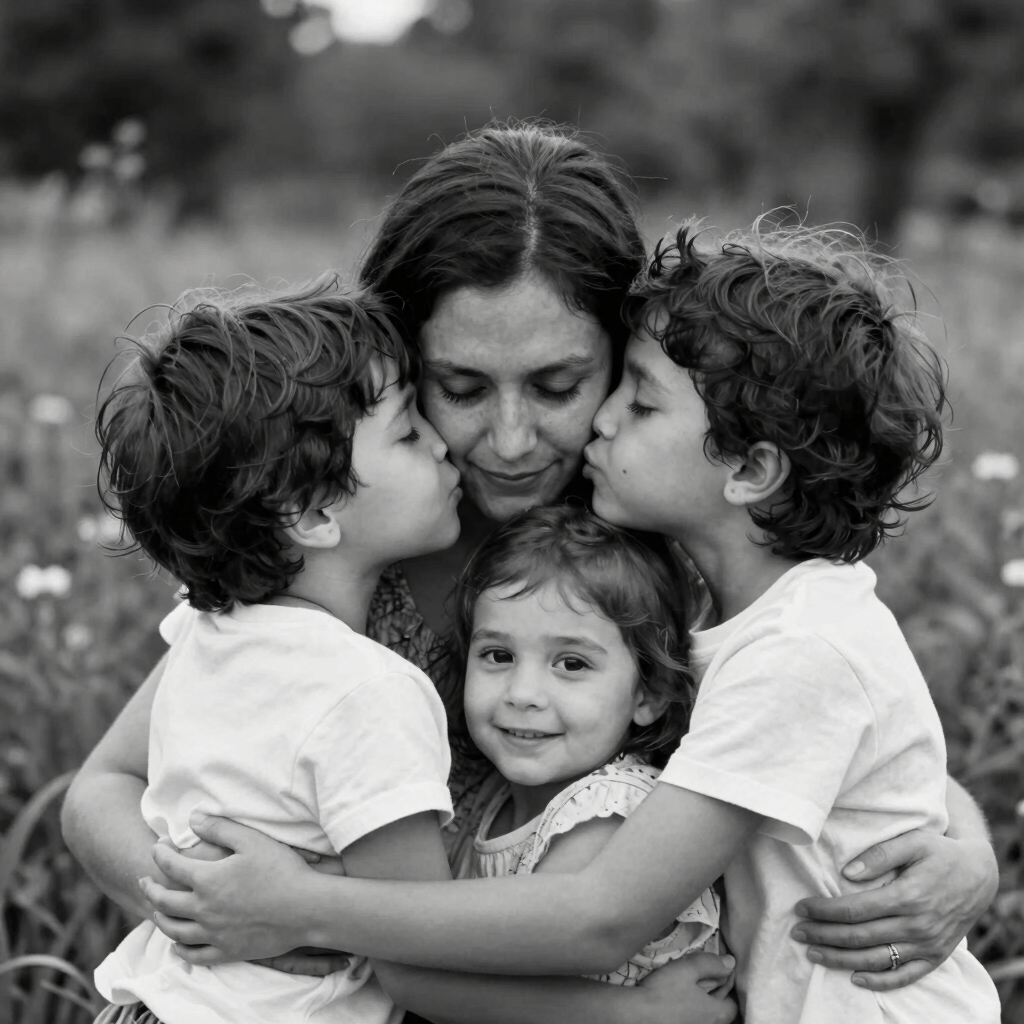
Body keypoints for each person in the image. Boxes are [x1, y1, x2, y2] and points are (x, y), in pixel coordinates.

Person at [62, 125, 996, 1023]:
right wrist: (225, 906)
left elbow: (845, 733)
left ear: (627, 358)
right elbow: (103, 787)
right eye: (460, 389)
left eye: (560, 387)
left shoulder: (682, 539)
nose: (510, 441)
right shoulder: (325, 558)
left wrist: (968, 850)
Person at [88, 277, 462, 1024]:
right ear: (317, 512)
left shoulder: (207, 630)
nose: (444, 440)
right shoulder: (368, 692)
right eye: (410, 433)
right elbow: (432, 960)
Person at [445, 506, 721, 987]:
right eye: (498, 655)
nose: (522, 693)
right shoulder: (487, 798)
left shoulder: (609, 813)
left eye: (571, 664)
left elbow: (495, 978)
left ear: (649, 693)